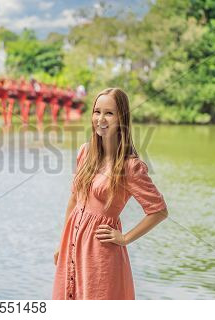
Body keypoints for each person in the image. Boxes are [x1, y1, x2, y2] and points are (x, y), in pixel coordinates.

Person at [52, 88, 169, 300]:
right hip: (73, 244)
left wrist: (125, 238)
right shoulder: (85, 152)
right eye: (97, 112)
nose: (100, 119)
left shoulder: (130, 166)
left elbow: (159, 211)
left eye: (109, 113)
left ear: (121, 118)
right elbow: (73, 200)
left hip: (100, 251)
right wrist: (62, 244)